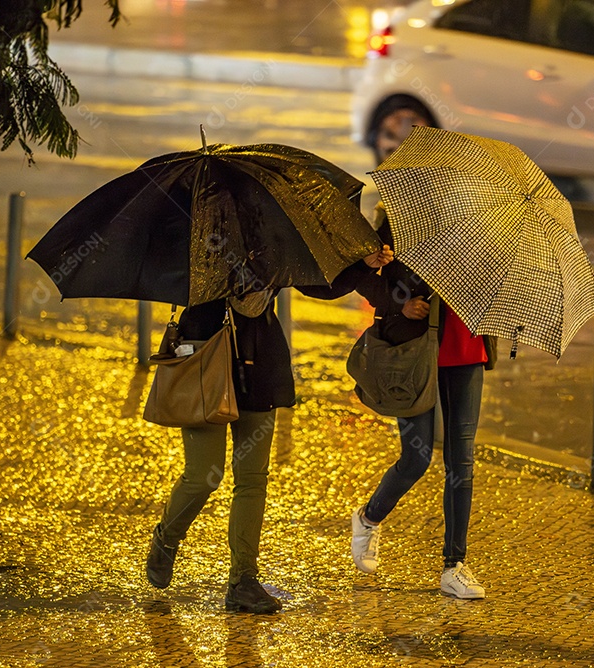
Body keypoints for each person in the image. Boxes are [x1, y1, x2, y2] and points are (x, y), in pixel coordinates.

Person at [145, 247, 393, 614]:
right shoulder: (196, 227)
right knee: (202, 476)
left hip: (259, 361)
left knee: (252, 479)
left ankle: (242, 580)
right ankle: (166, 538)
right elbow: (175, 279)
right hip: (205, 357)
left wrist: (361, 267)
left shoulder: (271, 228)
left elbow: (314, 280)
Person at [348, 209, 497, 599]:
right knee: (417, 458)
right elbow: (363, 277)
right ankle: (369, 517)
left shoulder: (486, 228)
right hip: (416, 352)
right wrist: (401, 305)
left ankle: (454, 566)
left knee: (461, 458)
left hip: (468, 349)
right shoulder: (400, 221)